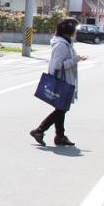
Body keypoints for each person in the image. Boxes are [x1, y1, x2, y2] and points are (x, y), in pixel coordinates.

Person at [30, 17, 87, 147]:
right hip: (62, 81)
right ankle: (39, 130)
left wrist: (76, 59)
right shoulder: (61, 45)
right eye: (75, 29)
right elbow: (57, 65)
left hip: (64, 80)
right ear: (70, 30)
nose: (76, 31)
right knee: (61, 109)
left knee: (61, 109)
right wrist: (76, 59)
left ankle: (60, 136)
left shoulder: (66, 42)